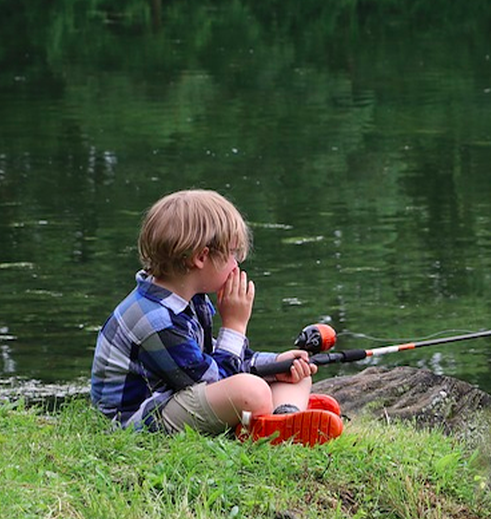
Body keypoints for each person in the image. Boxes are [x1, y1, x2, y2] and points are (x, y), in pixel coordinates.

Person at [90, 189, 343, 446]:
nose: (236, 265)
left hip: (182, 393)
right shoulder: (154, 319)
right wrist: (235, 325)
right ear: (201, 257)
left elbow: (215, 361)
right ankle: (275, 420)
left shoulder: (189, 299)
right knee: (250, 391)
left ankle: (282, 418)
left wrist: (276, 364)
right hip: (140, 421)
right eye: (232, 254)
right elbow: (213, 380)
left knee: (296, 372)